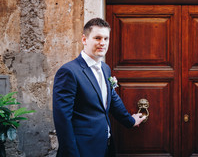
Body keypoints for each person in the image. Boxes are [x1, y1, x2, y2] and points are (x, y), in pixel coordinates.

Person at [53, 18, 145, 157]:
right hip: (82, 149)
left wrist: (130, 121)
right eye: (97, 38)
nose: (102, 43)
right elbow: (63, 120)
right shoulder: (69, 72)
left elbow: (112, 99)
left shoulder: (105, 68)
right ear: (84, 39)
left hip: (105, 146)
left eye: (106, 38)